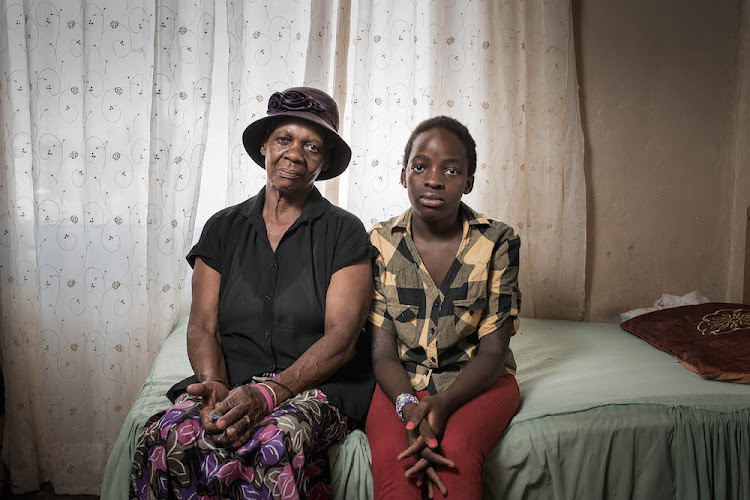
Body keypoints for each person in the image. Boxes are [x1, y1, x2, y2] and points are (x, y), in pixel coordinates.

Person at [130, 87, 377, 499]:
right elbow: (203, 324)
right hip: (233, 380)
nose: (294, 154)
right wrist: (214, 386)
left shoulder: (344, 231)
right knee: (165, 436)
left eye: (311, 146)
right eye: (284, 139)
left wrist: (270, 393)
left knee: (271, 442)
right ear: (264, 145)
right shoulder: (223, 228)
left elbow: (342, 339)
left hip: (316, 388)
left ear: (325, 160)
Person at [365, 116, 521, 499]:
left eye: (451, 170)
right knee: (393, 457)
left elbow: (494, 351)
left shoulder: (498, 240)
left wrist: (443, 405)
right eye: (420, 167)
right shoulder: (379, 242)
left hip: (477, 382)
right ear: (404, 176)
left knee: (456, 452)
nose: (434, 179)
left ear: (468, 182)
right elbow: (383, 353)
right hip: (400, 383)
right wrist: (409, 406)